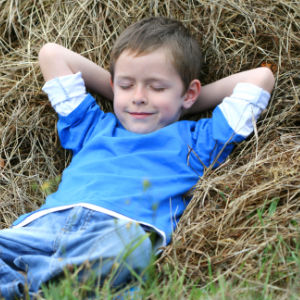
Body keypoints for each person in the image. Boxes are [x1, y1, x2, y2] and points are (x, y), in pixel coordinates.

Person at [0, 17, 275, 299]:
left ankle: (31, 289)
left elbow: (260, 79)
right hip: (42, 229)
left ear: (190, 92)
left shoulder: (197, 141)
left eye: (157, 88)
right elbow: (52, 54)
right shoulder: (93, 126)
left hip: (116, 235)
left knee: (133, 251)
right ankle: (41, 288)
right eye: (127, 85)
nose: (139, 98)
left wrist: (183, 104)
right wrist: (127, 94)